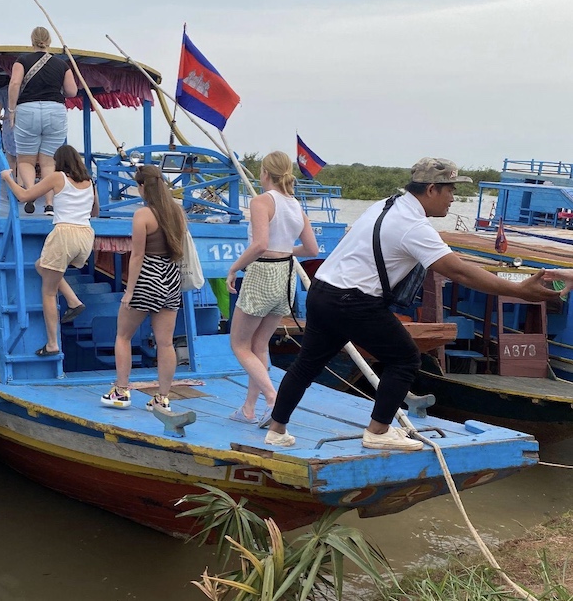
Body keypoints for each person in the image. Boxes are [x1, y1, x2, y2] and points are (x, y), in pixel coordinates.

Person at [265, 157, 561, 449]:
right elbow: (458, 271)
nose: (453, 198)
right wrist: (519, 289)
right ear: (431, 189)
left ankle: (276, 430)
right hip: (354, 300)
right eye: (450, 190)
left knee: (307, 365)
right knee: (405, 359)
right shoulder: (413, 226)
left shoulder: (386, 204)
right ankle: (378, 432)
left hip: (323, 291)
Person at [226, 151, 319, 426]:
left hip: (263, 272)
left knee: (239, 344)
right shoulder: (296, 206)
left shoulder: (261, 201)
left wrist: (234, 268)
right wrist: (286, 249)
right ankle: (248, 409)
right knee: (259, 344)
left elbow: (260, 245)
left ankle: (272, 399)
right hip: (286, 275)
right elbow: (311, 249)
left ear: (265, 173)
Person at [101, 165, 187, 412]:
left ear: (141, 186)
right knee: (166, 343)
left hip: (147, 277)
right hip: (171, 277)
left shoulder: (143, 215)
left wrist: (129, 291)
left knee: (123, 335)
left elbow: (137, 256)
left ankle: (121, 391)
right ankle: (162, 398)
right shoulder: (178, 213)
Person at [0, 144, 98, 356]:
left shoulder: (57, 177)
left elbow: (25, 196)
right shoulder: (90, 182)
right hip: (86, 236)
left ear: (59, 162)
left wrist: (8, 178)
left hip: (64, 234)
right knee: (41, 265)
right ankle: (73, 300)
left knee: (49, 292)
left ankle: (52, 344)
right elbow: (95, 211)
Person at [7, 26, 78, 216]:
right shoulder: (62, 65)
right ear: (49, 41)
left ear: (32, 41)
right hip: (55, 110)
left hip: (27, 110)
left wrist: (11, 110)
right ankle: (49, 205)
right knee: (48, 162)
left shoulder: (22, 61)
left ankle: (31, 192)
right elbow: (72, 91)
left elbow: (15, 83)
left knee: (25, 160)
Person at [0, 84, 17, 172]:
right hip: (27, 121)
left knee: (11, 158)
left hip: (9, 122)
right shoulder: (27, 87)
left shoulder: (3, 90)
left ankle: (11, 178)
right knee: (25, 158)